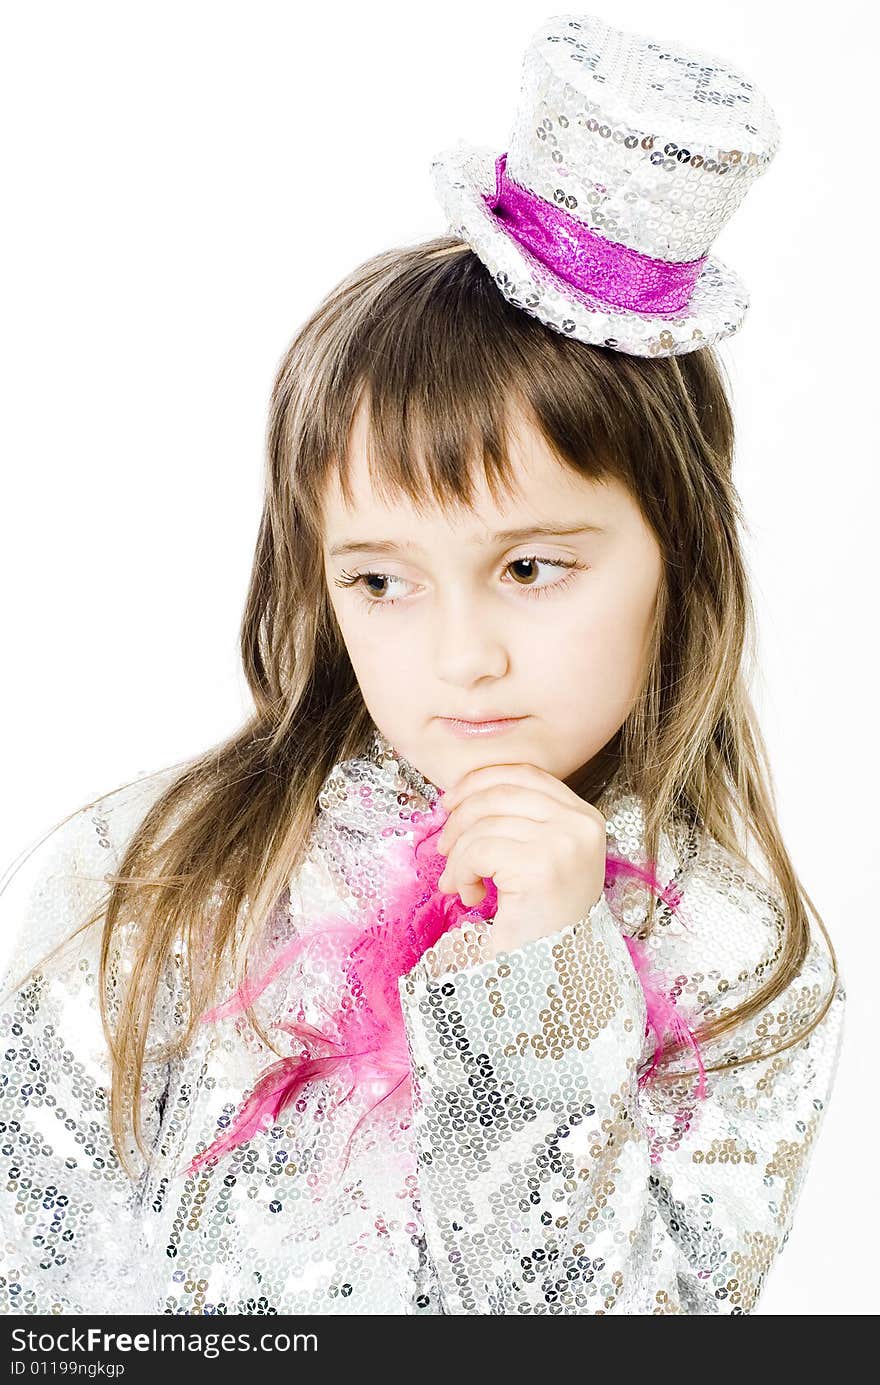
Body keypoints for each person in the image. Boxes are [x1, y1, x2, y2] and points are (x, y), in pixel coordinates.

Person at [0, 11, 845, 1316]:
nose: (462, 654)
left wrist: (544, 994)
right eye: (382, 581)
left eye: (530, 567)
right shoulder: (160, 877)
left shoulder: (743, 967)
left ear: (674, 553)